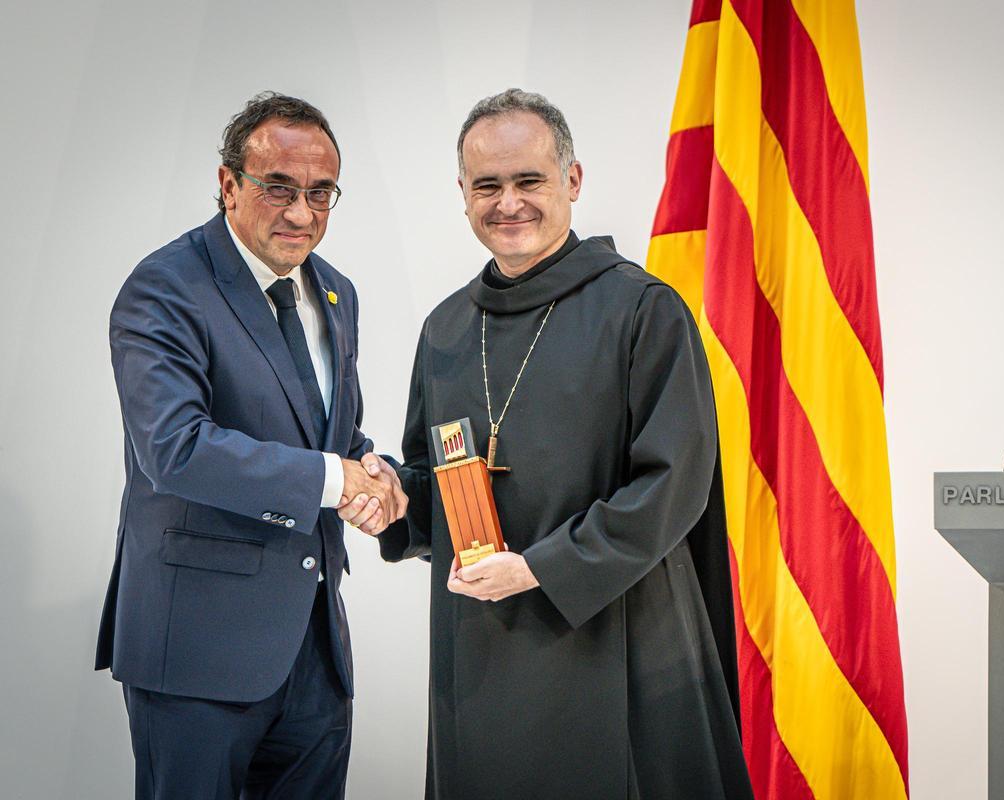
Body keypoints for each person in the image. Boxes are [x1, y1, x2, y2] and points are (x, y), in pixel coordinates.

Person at [346, 88, 753, 799]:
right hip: (482, 650)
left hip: (617, 637)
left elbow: (674, 481)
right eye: (487, 186)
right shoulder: (445, 329)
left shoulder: (642, 310)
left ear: (572, 180)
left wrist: (540, 568)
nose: (508, 203)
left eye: (528, 180)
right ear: (463, 195)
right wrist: (394, 501)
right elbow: (430, 478)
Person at [96, 91, 405, 799]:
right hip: (199, 654)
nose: (302, 213)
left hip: (316, 653)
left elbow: (332, 433)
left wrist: (375, 472)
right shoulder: (164, 287)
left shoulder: (336, 292)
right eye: (279, 188)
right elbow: (174, 448)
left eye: (321, 192)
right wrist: (335, 480)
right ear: (228, 183)